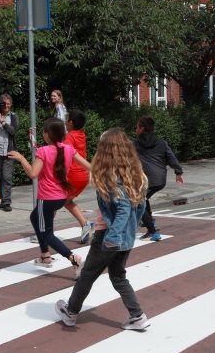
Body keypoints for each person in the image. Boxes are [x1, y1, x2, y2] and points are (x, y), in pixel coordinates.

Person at [55, 128, 151, 330]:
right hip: (126, 238)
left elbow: (124, 208)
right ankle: (137, 316)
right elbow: (139, 206)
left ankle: (70, 312)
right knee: (117, 275)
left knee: (88, 273)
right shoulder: (135, 174)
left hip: (108, 236)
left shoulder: (111, 176)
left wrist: (112, 236)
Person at [8, 118, 90, 275]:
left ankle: (74, 259)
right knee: (35, 218)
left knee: (47, 234)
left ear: (47, 134)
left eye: (44, 132)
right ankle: (45, 255)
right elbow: (89, 166)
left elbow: (33, 174)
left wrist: (21, 158)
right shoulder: (68, 149)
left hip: (46, 199)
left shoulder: (44, 151)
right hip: (60, 198)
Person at [134, 116, 183, 241]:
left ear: (142, 129)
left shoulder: (136, 143)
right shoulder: (161, 142)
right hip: (160, 180)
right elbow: (171, 157)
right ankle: (150, 221)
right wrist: (178, 172)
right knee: (144, 199)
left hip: (146, 180)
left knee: (138, 202)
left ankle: (152, 230)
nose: (135, 129)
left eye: (137, 127)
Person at [64, 109, 94, 243]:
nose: (65, 122)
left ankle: (44, 231)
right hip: (83, 175)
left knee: (54, 200)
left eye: (67, 119)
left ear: (70, 122)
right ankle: (85, 224)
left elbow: (66, 155)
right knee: (66, 201)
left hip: (73, 175)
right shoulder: (82, 134)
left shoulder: (69, 137)